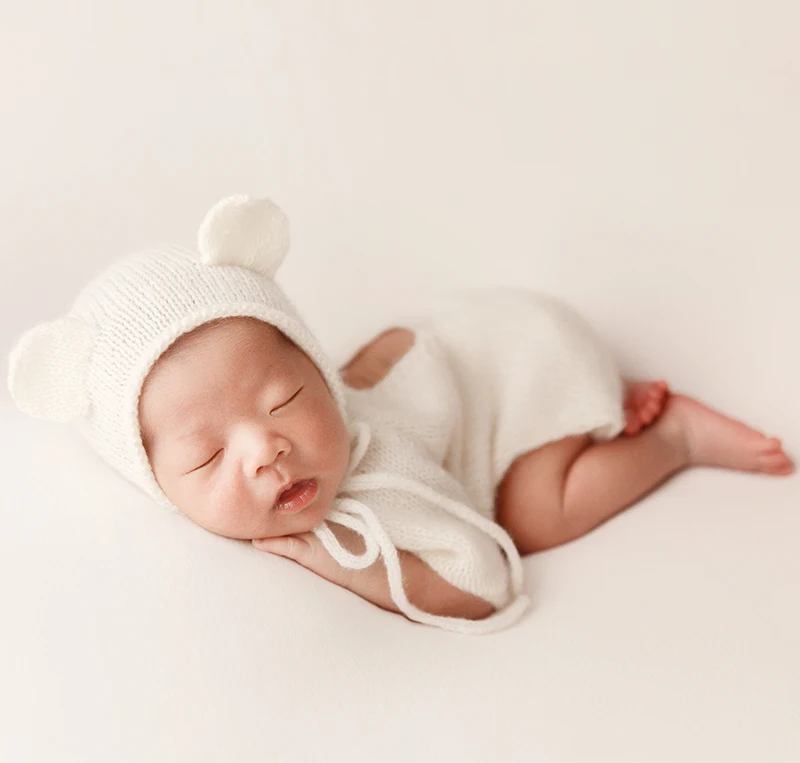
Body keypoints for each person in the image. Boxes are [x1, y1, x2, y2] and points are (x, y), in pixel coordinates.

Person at [8, 196, 794, 634]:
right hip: (471, 339)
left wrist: (339, 563)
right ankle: (607, 401)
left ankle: (670, 436)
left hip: (519, 364)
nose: (266, 448)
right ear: (152, 482)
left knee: (531, 513)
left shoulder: (378, 471)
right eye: (207, 458)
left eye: (285, 398)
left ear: (314, 369)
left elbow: (486, 580)